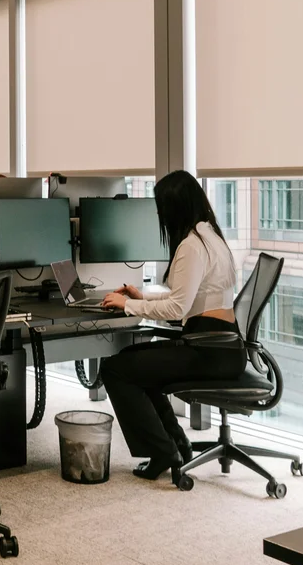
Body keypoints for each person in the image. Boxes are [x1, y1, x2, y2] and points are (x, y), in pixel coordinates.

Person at [97, 170, 243, 486]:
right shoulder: (210, 236)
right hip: (220, 346)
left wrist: (128, 305)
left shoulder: (192, 245)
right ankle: (176, 445)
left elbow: (177, 309)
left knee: (116, 369)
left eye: (162, 208)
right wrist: (142, 297)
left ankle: (164, 451)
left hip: (208, 350)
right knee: (137, 365)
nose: (160, 216)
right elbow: (187, 303)